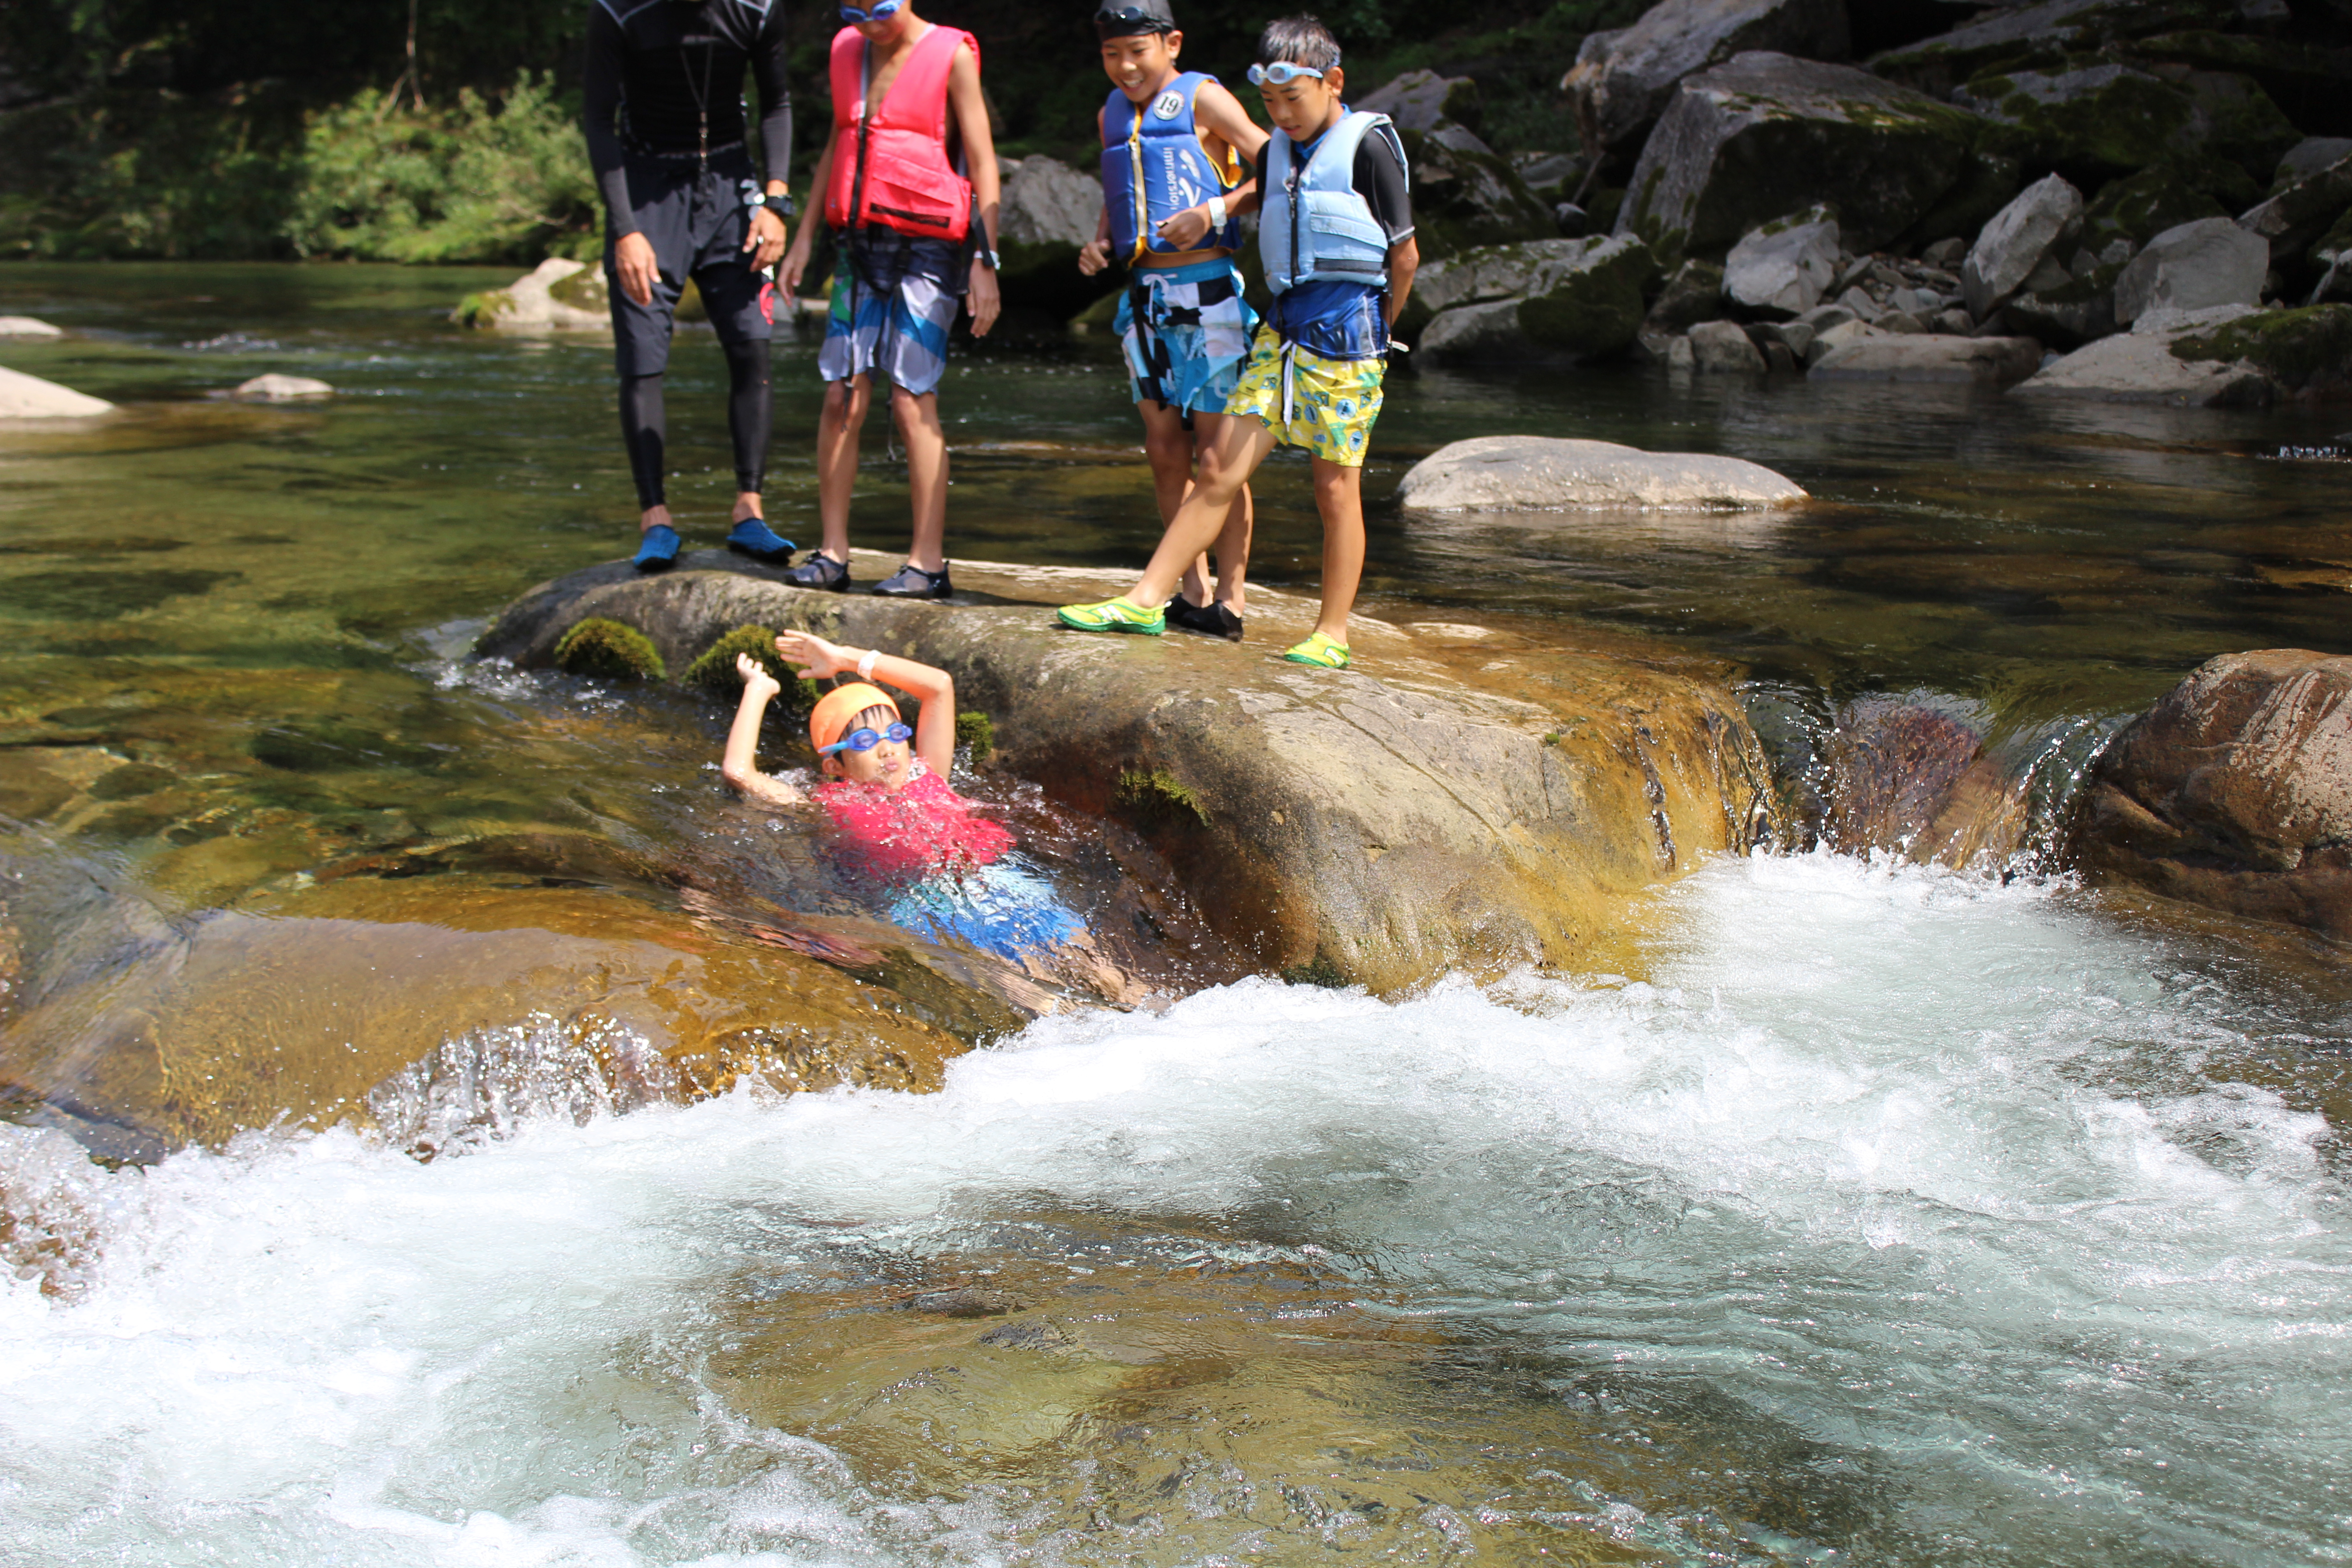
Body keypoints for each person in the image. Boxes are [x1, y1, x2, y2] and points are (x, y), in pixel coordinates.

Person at [1057, 14, 1417, 670]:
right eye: (1271, 103)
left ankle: (1331, 632)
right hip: (1281, 331)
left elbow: (1406, 257)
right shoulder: (1280, 148)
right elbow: (1256, 196)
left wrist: (1379, 333)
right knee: (1220, 468)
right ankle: (1147, 598)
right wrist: (1217, 210)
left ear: (1333, 83)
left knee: (1335, 489)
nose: (1282, 114)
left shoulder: (1368, 145)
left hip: (1347, 335)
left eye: (1294, 100)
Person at [721, 632, 1124, 984]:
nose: (886, 747)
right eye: (864, 741)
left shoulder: (930, 772)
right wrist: (759, 690)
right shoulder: (824, 806)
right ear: (834, 766)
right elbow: (739, 772)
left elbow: (939, 686)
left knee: (1099, 966)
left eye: (895, 733)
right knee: (1036, 985)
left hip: (995, 880)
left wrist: (846, 659)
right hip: (920, 903)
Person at [775, 0, 1002, 599]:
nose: (869, 24)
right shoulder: (848, 51)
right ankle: (832, 553)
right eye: (853, 11)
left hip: (928, 249)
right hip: (857, 243)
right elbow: (838, 143)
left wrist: (985, 261)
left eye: (879, 8)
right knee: (841, 395)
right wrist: (804, 240)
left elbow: (982, 160)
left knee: (910, 400)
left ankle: (927, 562)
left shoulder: (951, 54)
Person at [583, 0, 802, 573]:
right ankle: (655, 518)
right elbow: (597, 120)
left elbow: (777, 102)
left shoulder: (755, 9)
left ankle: (749, 512)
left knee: (752, 345)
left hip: (733, 188)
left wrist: (776, 204)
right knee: (643, 359)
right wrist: (627, 231)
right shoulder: (617, 12)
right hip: (647, 187)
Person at [1079, 0, 1268, 642]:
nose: (1126, 66)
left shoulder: (1203, 99)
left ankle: (1233, 600)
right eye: (1112, 54)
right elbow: (1122, 189)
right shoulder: (1111, 111)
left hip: (1208, 292)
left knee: (1219, 457)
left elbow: (1274, 164)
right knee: (1165, 450)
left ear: (1173, 44)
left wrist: (1213, 212)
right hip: (1143, 298)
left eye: (1139, 50)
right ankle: (1190, 589)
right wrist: (1100, 240)